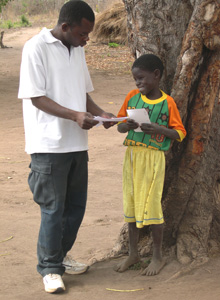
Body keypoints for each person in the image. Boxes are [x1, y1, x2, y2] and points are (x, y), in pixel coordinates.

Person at [18, 0, 115, 294]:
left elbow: (82, 93)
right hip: (48, 144)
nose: (87, 39)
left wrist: (100, 114)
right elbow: (36, 97)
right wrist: (74, 116)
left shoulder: (78, 50)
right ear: (65, 27)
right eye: (83, 34)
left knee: (75, 207)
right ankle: (49, 269)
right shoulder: (36, 48)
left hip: (77, 144)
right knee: (53, 208)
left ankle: (58, 257)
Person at [114, 54, 186, 276]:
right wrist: (126, 126)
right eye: (135, 80)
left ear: (156, 75)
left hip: (154, 158)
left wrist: (159, 130)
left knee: (152, 204)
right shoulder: (132, 97)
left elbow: (180, 132)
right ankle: (133, 253)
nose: (138, 83)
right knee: (132, 204)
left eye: (141, 79)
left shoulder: (167, 102)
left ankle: (157, 257)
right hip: (133, 157)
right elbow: (119, 125)